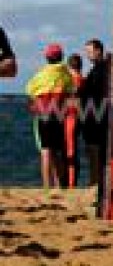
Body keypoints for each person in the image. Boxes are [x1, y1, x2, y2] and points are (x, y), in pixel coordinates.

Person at [25, 43, 73, 190]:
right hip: (58, 116)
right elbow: (71, 91)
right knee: (58, 151)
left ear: (47, 57)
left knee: (46, 151)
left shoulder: (40, 74)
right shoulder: (65, 74)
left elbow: (29, 91)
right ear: (61, 57)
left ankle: (47, 186)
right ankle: (59, 185)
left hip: (44, 115)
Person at [78, 38, 112, 212]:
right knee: (97, 156)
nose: (88, 55)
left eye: (90, 51)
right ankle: (98, 190)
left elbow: (91, 93)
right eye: (87, 52)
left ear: (99, 50)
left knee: (97, 156)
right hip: (95, 117)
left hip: (97, 119)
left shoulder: (101, 69)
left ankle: (98, 189)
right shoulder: (99, 68)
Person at [64, 53, 85, 188]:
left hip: (71, 117)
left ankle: (71, 183)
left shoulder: (73, 80)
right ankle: (71, 182)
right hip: (77, 116)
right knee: (73, 150)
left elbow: (72, 99)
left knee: (70, 150)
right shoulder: (82, 79)